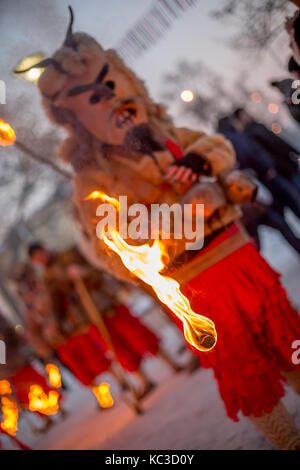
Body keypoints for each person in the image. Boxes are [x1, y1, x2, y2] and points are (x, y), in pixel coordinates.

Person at [22, 7, 300, 449]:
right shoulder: (92, 180)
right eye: (95, 98)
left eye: (113, 86)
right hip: (195, 284)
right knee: (244, 370)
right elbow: (113, 253)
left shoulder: (165, 130)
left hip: (239, 256)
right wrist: (173, 225)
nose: (113, 101)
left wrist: (206, 166)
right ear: (73, 116)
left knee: (289, 340)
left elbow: (218, 147)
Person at [28, 243, 180, 397]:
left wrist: (83, 273)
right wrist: (53, 325)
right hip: (88, 317)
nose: (40, 260)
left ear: (44, 249)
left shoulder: (71, 254)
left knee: (138, 335)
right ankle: (143, 381)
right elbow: (56, 305)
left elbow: (98, 271)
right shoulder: (48, 279)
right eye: (36, 260)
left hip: (105, 303)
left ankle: (172, 363)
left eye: (39, 255)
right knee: (117, 349)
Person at [217, 116, 300, 254]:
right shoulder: (235, 139)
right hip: (265, 183)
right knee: (289, 211)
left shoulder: (231, 141)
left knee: (281, 224)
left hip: (259, 192)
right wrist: (266, 169)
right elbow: (253, 154)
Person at [0, 314, 63, 431]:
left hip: (17, 360)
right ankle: (44, 417)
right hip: (8, 369)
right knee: (24, 393)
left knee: (38, 384)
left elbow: (10, 337)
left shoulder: (3, 324)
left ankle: (59, 407)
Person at [233, 108, 300, 199]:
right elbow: (261, 151)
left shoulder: (258, 126)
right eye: (243, 115)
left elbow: (278, 141)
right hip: (278, 166)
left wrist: (292, 151)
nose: (247, 116)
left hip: (286, 160)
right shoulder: (248, 135)